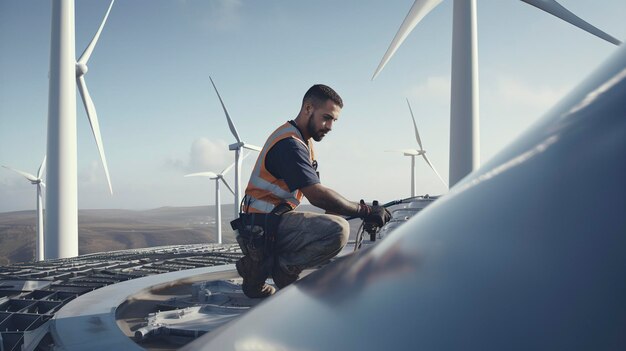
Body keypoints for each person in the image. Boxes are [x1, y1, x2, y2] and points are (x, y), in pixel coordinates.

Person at [234, 84, 391, 298]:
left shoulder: (301, 140)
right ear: (308, 108)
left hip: (271, 222)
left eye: (334, 120)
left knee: (334, 215)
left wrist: (358, 209)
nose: (330, 126)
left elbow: (325, 200)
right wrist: (363, 211)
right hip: (261, 230)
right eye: (327, 117)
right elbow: (316, 195)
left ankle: (258, 271)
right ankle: (277, 268)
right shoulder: (290, 145)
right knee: (338, 230)